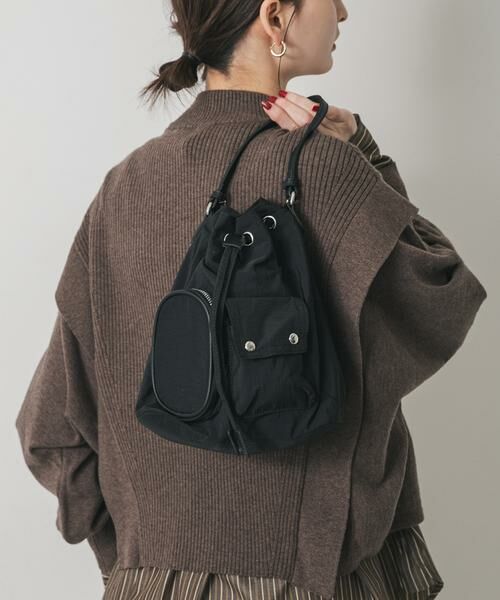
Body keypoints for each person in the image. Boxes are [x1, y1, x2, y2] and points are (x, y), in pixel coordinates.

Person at [15, 1, 487, 599]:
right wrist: (367, 156)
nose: (343, 11)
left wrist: (135, 560)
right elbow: (445, 295)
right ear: (275, 16)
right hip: (312, 580)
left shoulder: (125, 185)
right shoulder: (329, 171)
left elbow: (50, 428)